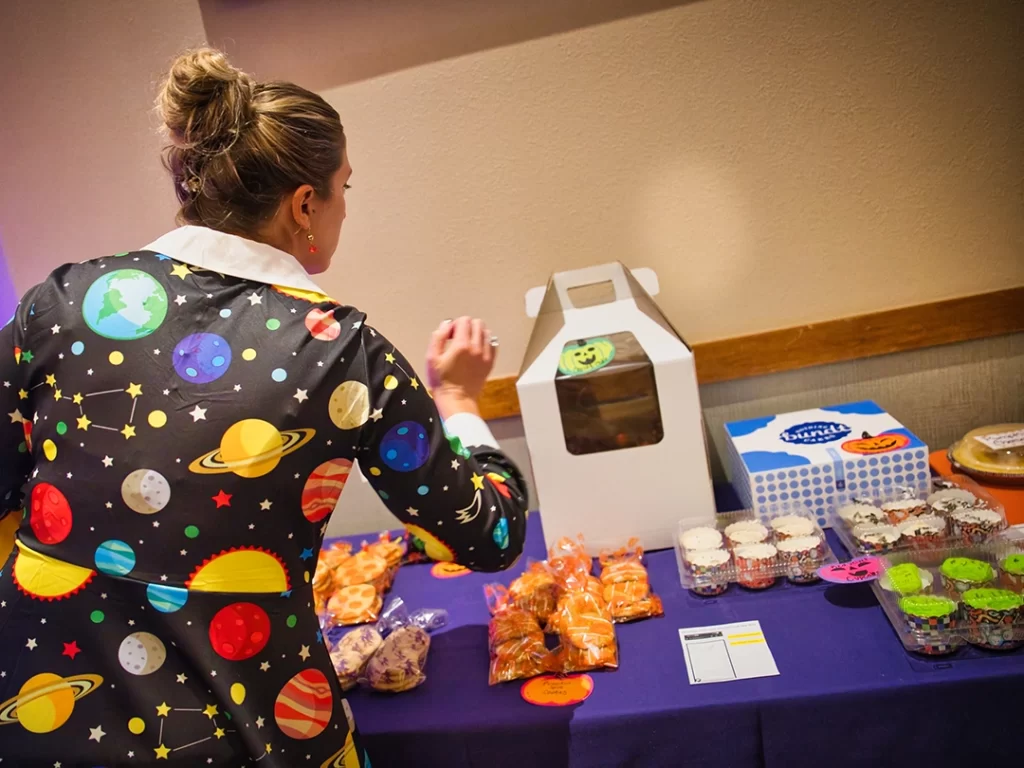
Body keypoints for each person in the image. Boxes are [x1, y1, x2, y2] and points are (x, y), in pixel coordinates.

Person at [0, 48, 528, 767]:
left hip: (39, 722)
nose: (345, 207)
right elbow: (488, 533)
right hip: (246, 730)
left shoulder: (62, 301)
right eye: (345, 188)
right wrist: (460, 399)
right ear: (304, 204)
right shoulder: (343, 351)